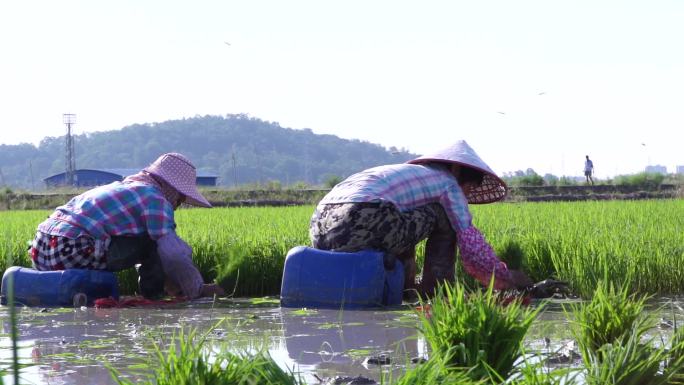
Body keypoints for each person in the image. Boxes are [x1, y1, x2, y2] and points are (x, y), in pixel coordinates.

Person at [309, 140, 532, 298]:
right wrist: (506, 277)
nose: (464, 195)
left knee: (408, 217)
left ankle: (406, 288)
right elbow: (471, 246)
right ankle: (436, 290)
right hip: (363, 217)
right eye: (469, 188)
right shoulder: (448, 182)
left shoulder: (403, 172)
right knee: (443, 215)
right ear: (455, 170)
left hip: (320, 227)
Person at [29, 153, 225, 299]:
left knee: (139, 241)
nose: (179, 203)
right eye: (181, 198)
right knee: (155, 241)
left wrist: (168, 279)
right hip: (73, 249)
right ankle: (153, 298)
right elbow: (172, 253)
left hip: (41, 249)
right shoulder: (154, 197)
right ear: (171, 187)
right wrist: (196, 288)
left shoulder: (122, 187)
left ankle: (165, 288)